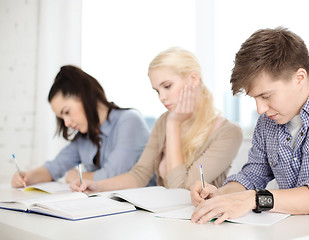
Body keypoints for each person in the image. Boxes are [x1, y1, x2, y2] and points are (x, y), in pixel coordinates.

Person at [190, 27, 309, 225]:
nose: (260, 109)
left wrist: (254, 199)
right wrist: (222, 196)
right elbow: (253, 175)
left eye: (266, 96)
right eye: (254, 98)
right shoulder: (269, 117)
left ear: (299, 78)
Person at [70, 47, 243, 193]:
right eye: (157, 91)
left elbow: (181, 191)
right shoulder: (164, 121)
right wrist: (97, 186)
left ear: (193, 79)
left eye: (167, 86)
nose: (162, 97)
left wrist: (174, 125)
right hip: (163, 220)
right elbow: (139, 175)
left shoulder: (228, 132)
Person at [11, 65, 150, 187]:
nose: (66, 123)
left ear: (84, 96)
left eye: (67, 112)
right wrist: (28, 176)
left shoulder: (129, 121)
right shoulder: (84, 137)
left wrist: (77, 176)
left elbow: (113, 176)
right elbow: (55, 166)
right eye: (62, 117)